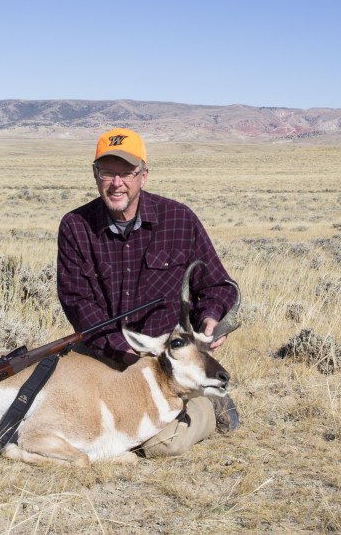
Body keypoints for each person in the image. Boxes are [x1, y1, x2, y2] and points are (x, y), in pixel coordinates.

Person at [56, 127, 240, 456]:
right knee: (65, 420)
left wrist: (210, 319)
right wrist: (126, 353)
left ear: (144, 175)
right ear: (95, 175)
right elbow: (77, 303)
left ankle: (207, 405)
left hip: (165, 365)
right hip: (104, 358)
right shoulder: (75, 226)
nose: (117, 183)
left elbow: (217, 286)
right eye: (107, 172)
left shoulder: (180, 220)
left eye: (127, 172)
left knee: (158, 444)